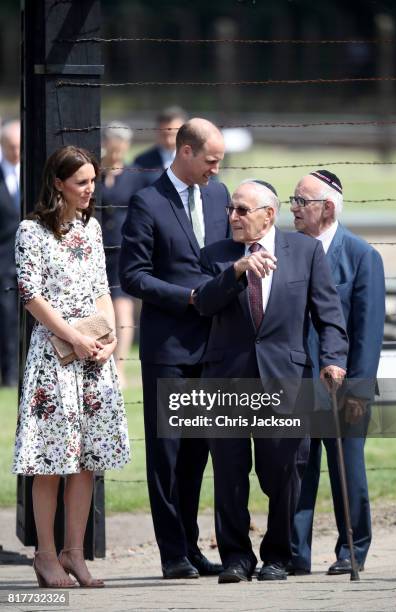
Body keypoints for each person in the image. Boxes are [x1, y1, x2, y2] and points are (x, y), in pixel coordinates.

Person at [193, 179, 348, 583]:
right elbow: (203, 303)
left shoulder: (306, 251)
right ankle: (236, 558)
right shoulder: (216, 255)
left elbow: (328, 315)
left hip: (286, 378)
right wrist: (237, 271)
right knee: (228, 473)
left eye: (242, 210)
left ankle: (278, 555)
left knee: (283, 471)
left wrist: (333, 361)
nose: (233, 217)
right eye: (231, 209)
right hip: (227, 379)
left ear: (269, 214)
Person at [13, 146, 130, 588]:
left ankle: (74, 554)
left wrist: (111, 337)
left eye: (93, 182)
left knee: (86, 459)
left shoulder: (92, 228)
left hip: (93, 359)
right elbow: (31, 296)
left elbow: (102, 286)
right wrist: (74, 337)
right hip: (53, 359)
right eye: (81, 182)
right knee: (50, 458)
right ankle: (44, 555)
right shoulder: (31, 231)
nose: (89, 190)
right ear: (58, 183)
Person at [120, 118, 229, 579]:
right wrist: (185, 297)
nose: (216, 169)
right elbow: (133, 275)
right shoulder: (148, 202)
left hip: (214, 346)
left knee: (197, 453)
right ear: (185, 152)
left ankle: (191, 544)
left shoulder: (220, 196)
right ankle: (172, 553)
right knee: (167, 454)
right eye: (210, 160)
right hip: (168, 347)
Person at [289, 170, 385, 575]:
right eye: (291, 200)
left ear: (326, 208)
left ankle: (351, 549)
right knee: (296, 470)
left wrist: (357, 389)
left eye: (300, 201)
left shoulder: (361, 256)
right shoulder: (288, 250)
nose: (292, 209)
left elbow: (367, 331)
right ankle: (295, 553)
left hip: (343, 387)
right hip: (296, 383)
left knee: (348, 468)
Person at [101, 122, 142, 387]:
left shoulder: (134, 175)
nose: (117, 152)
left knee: (122, 306)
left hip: (122, 247)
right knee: (101, 307)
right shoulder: (94, 172)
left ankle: (120, 367)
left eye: (121, 147)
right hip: (97, 246)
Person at [0, 120, 20, 386]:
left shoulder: (35, 173)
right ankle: (8, 376)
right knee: (5, 319)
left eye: (19, 146)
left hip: (29, 261)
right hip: (2, 261)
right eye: (11, 147)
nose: (17, 152)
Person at [133, 106, 188, 188]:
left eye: (173, 135)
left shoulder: (196, 159)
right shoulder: (141, 162)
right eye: (164, 135)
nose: (169, 140)